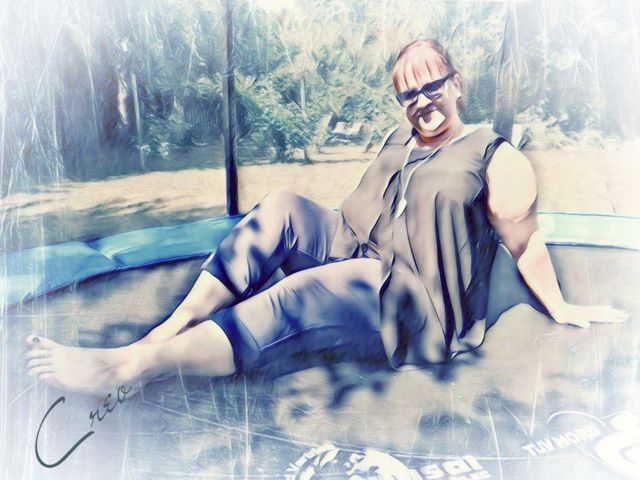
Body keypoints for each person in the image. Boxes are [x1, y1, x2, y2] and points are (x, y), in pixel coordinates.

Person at [24, 39, 627, 396]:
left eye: (432, 86)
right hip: (361, 253)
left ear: (457, 83)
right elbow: (372, 213)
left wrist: (562, 308)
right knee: (281, 206)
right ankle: (170, 327)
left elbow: (525, 243)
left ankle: (131, 365)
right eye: (408, 94)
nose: (421, 102)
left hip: (415, 307)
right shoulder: (400, 138)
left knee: (301, 296)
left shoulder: (496, 156)